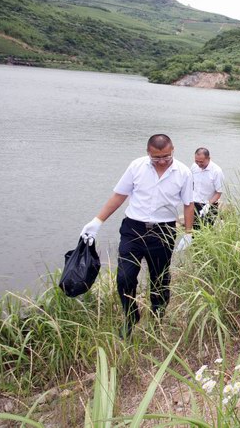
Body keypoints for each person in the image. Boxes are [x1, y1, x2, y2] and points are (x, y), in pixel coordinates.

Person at [80, 134, 194, 338]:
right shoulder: (136, 167)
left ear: (173, 150)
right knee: (124, 277)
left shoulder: (183, 172)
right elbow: (119, 196)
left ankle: (157, 319)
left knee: (160, 279)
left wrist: (188, 233)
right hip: (133, 229)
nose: (161, 161)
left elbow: (188, 204)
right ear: (148, 152)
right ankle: (131, 316)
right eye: (156, 157)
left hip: (163, 232)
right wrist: (97, 221)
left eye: (166, 156)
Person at [191, 147, 225, 226]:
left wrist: (208, 205)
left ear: (208, 158)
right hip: (194, 203)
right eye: (196, 161)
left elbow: (219, 192)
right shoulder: (194, 166)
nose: (198, 164)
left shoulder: (216, 171)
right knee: (194, 229)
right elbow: (191, 183)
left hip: (209, 205)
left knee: (207, 228)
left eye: (201, 162)